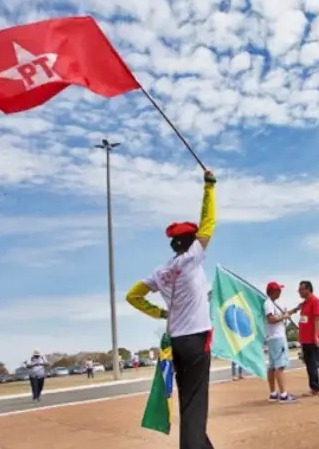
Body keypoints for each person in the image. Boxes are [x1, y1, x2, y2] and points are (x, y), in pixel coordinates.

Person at [126, 169, 217, 449]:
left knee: (189, 400)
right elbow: (209, 222)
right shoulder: (192, 260)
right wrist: (209, 187)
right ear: (190, 243)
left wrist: (160, 313)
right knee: (195, 405)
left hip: (175, 341)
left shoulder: (161, 271)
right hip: (196, 339)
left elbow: (133, 296)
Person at [294, 280, 319, 396]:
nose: (299, 291)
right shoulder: (304, 304)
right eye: (299, 289)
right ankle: (314, 387)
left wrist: (316, 336)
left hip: (314, 339)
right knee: (310, 364)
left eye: (301, 289)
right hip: (305, 340)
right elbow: (304, 320)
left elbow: (317, 319)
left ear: (308, 289)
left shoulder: (315, 301)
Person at [263, 281, 299, 403]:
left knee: (273, 366)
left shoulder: (272, 303)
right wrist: (284, 317)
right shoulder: (268, 304)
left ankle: (273, 393)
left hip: (273, 337)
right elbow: (271, 319)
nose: (280, 292)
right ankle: (283, 394)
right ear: (274, 291)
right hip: (277, 337)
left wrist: (293, 311)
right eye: (278, 290)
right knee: (280, 366)